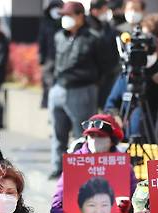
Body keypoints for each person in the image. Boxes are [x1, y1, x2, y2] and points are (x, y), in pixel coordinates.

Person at [49, 1, 102, 179]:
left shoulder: (93, 38)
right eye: (63, 15)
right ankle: (58, 167)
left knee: (82, 134)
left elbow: (107, 66)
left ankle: (81, 169)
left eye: (69, 15)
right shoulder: (59, 36)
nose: (65, 19)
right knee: (58, 132)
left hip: (82, 89)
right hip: (58, 88)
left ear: (80, 16)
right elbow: (51, 60)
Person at [87, 0, 121, 108]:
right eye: (104, 10)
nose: (107, 12)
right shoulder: (86, 28)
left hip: (108, 75)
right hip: (91, 78)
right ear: (94, 11)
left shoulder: (108, 27)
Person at [38, 1, 64, 109]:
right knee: (48, 83)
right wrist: (41, 57)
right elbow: (41, 41)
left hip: (62, 58)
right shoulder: (45, 23)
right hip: (49, 58)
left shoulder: (64, 23)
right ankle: (48, 103)